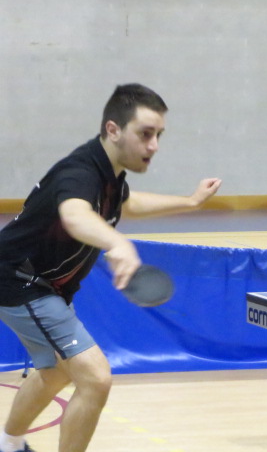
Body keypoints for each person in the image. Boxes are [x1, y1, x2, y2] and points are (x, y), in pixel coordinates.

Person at [0, 83, 222, 452]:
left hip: (42, 283)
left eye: (159, 135)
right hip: (21, 281)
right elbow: (74, 215)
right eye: (145, 134)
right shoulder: (79, 174)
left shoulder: (109, 174)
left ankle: (7, 443)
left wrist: (191, 201)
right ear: (113, 129)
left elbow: (128, 204)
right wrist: (117, 243)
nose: (154, 146)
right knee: (95, 379)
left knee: (55, 373)